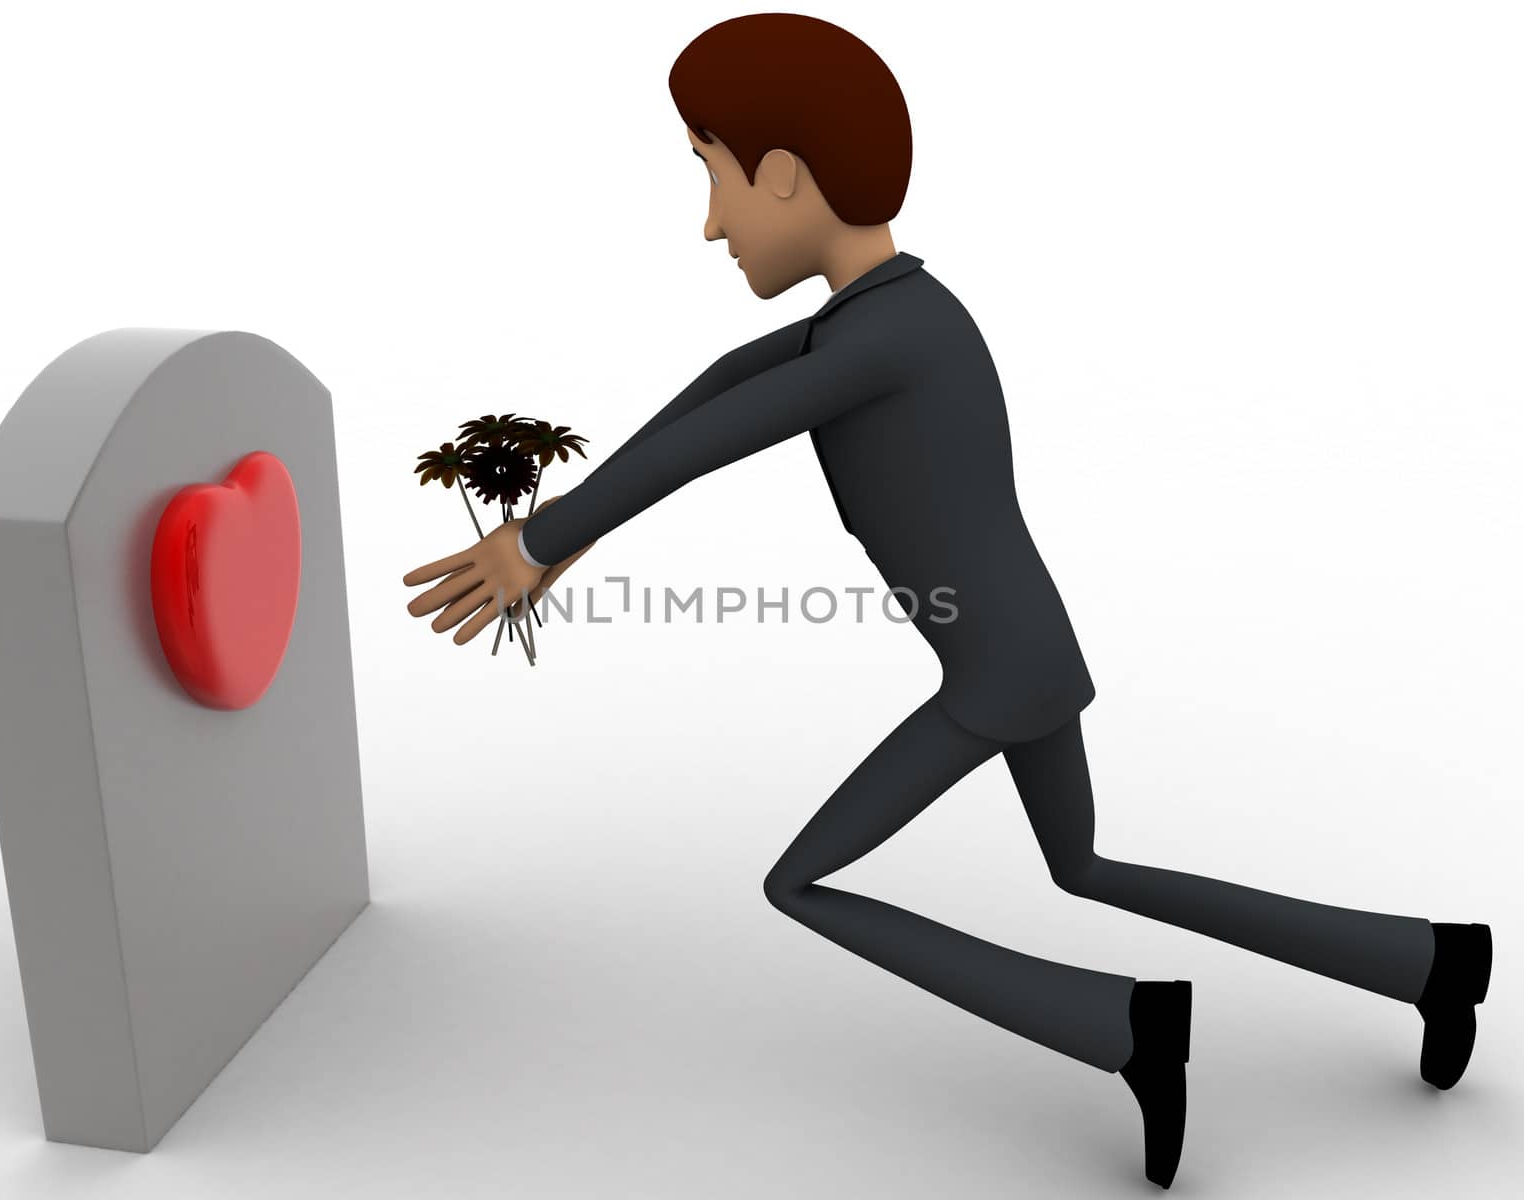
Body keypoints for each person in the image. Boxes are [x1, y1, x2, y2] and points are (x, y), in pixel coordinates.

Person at [403, 14, 1492, 1189]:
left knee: (799, 882)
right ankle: (1427, 962)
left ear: (784, 176)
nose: (710, 224)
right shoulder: (878, 315)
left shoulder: (895, 339)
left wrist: (549, 534)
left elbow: (725, 433)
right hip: (1022, 646)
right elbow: (722, 385)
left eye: (715, 183)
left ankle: (1127, 1031)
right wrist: (565, 538)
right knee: (1082, 866)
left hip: (999, 671)